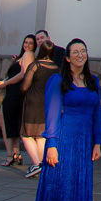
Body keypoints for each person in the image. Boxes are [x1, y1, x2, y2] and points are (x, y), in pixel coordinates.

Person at [27, 39, 101, 201]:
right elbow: (51, 113)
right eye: (75, 52)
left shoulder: (93, 81)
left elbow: (97, 113)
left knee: (80, 187)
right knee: (61, 186)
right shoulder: (58, 80)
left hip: (85, 140)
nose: (80, 55)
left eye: (83, 51)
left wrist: (97, 141)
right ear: (68, 58)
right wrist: (51, 144)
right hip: (65, 138)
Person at [20, 41, 60, 176]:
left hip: (33, 102)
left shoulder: (35, 66)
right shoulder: (56, 68)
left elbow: (25, 86)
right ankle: (43, 164)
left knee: (26, 134)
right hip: (48, 104)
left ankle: (37, 164)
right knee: (40, 136)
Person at [0, 34, 36, 167]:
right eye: (26, 42)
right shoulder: (23, 56)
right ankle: (15, 153)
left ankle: (9, 155)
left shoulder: (28, 55)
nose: (28, 45)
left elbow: (23, 74)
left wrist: (5, 83)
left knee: (5, 121)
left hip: (14, 93)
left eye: (31, 43)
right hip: (14, 93)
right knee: (10, 122)